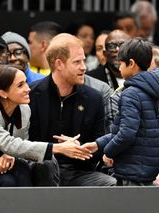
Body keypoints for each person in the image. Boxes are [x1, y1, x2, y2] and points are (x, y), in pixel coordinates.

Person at [0, 64, 92, 212]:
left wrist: (10, 155)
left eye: (26, 82)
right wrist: (58, 148)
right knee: (20, 168)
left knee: (8, 183)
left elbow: (19, 146)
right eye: (20, 85)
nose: (28, 88)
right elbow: (9, 143)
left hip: (2, 171)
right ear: (3, 93)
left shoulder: (24, 109)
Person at [29, 33, 116, 186]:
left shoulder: (94, 98)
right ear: (59, 64)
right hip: (41, 169)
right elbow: (24, 142)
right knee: (47, 164)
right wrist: (58, 149)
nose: (84, 67)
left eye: (83, 60)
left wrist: (80, 148)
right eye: (77, 62)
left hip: (79, 171)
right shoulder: (32, 95)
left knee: (109, 183)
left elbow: (99, 145)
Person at [85, 38, 159, 186]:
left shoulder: (131, 93)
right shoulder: (149, 89)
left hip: (132, 169)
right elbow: (130, 130)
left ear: (131, 63)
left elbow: (127, 134)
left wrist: (109, 152)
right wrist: (98, 144)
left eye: (120, 64)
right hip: (147, 168)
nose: (119, 69)